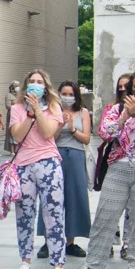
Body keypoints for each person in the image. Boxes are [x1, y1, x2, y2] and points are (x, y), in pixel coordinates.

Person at [74, 69, 135, 269]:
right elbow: (105, 133)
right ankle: (92, 264)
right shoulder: (115, 109)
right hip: (118, 167)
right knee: (105, 215)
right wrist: (125, 116)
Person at [6, 70, 67, 269]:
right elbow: (17, 135)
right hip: (23, 165)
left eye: (39, 82)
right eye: (31, 81)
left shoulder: (54, 107)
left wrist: (38, 111)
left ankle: (58, 264)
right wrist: (29, 114)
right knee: (24, 214)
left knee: (54, 213)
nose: (35, 84)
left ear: (46, 86)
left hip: (48, 162)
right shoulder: (16, 108)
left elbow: (48, 132)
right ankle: (25, 260)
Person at [53, 82, 93, 259]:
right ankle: (50, 240)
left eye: (71, 94)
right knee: (53, 197)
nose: (67, 97)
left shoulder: (83, 112)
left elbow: (86, 138)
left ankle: (70, 241)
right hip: (57, 154)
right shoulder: (53, 110)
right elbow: (50, 137)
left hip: (76, 155)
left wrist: (72, 128)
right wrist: (60, 124)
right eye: (64, 93)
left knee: (75, 198)